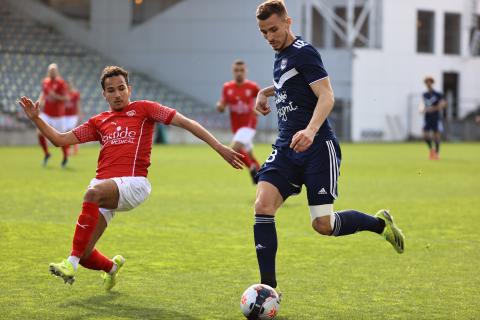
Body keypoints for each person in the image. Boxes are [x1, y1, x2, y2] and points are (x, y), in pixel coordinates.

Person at [18, 66, 244, 290]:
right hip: (105, 187)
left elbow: (187, 123)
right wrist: (36, 118)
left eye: (121, 88)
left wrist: (219, 147)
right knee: (86, 253)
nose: (117, 94)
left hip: (134, 183)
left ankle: (70, 263)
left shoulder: (145, 109)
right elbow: (60, 140)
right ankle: (111, 268)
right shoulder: (99, 121)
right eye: (111, 90)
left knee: (91, 195)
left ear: (129, 89)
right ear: (104, 94)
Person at [251, 0, 405, 297]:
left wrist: (310, 130)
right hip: (286, 146)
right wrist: (264, 92)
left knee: (323, 224)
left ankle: (378, 224)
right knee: (262, 206)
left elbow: (327, 96)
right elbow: (286, 82)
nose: (269, 37)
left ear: (288, 22)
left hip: (318, 147)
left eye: (273, 29)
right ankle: (269, 288)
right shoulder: (281, 55)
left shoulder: (305, 52)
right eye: (263, 32)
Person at [217, 60, 261, 183]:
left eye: (241, 70)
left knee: (234, 149)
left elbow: (262, 99)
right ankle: (260, 173)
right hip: (236, 127)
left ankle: (253, 170)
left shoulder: (252, 87)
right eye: (236, 70)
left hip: (249, 124)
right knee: (250, 155)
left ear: (245, 71)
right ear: (233, 72)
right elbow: (222, 104)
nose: (239, 73)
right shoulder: (227, 87)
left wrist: (258, 108)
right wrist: (220, 106)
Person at [38, 63, 69, 167]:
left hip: (58, 115)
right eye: (50, 71)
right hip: (46, 113)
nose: (52, 72)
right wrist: (39, 101)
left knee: (61, 139)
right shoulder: (45, 82)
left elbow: (66, 98)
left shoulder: (61, 83)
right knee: (39, 132)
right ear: (48, 71)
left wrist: (55, 96)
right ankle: (47, 153)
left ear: (56, 72)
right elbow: (43, 93)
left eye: (53, 71)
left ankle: (65, 157)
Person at [419, 76, 447, 160]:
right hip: (427, 118)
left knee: (436, 136)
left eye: (429, 82)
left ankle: (437, 154)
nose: (428, 83)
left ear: (432, 83)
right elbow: (422, 104)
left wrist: (433, 109)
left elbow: (444, 104)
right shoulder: (424, 94)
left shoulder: (438, 94)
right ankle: (431, 150)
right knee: (425, 135)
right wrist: (421, 109)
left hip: (436, 117)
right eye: (426, 82)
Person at [64, 80, 82, 156]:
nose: (68, 86)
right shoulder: (63, 94)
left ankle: (72, 148)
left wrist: (79, 114)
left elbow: (78, 104)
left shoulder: (75, 93)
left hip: (72, 116)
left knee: (70, 131)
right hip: (64, 116)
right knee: (65, 132)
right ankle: (69, 148)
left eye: (69, 84)